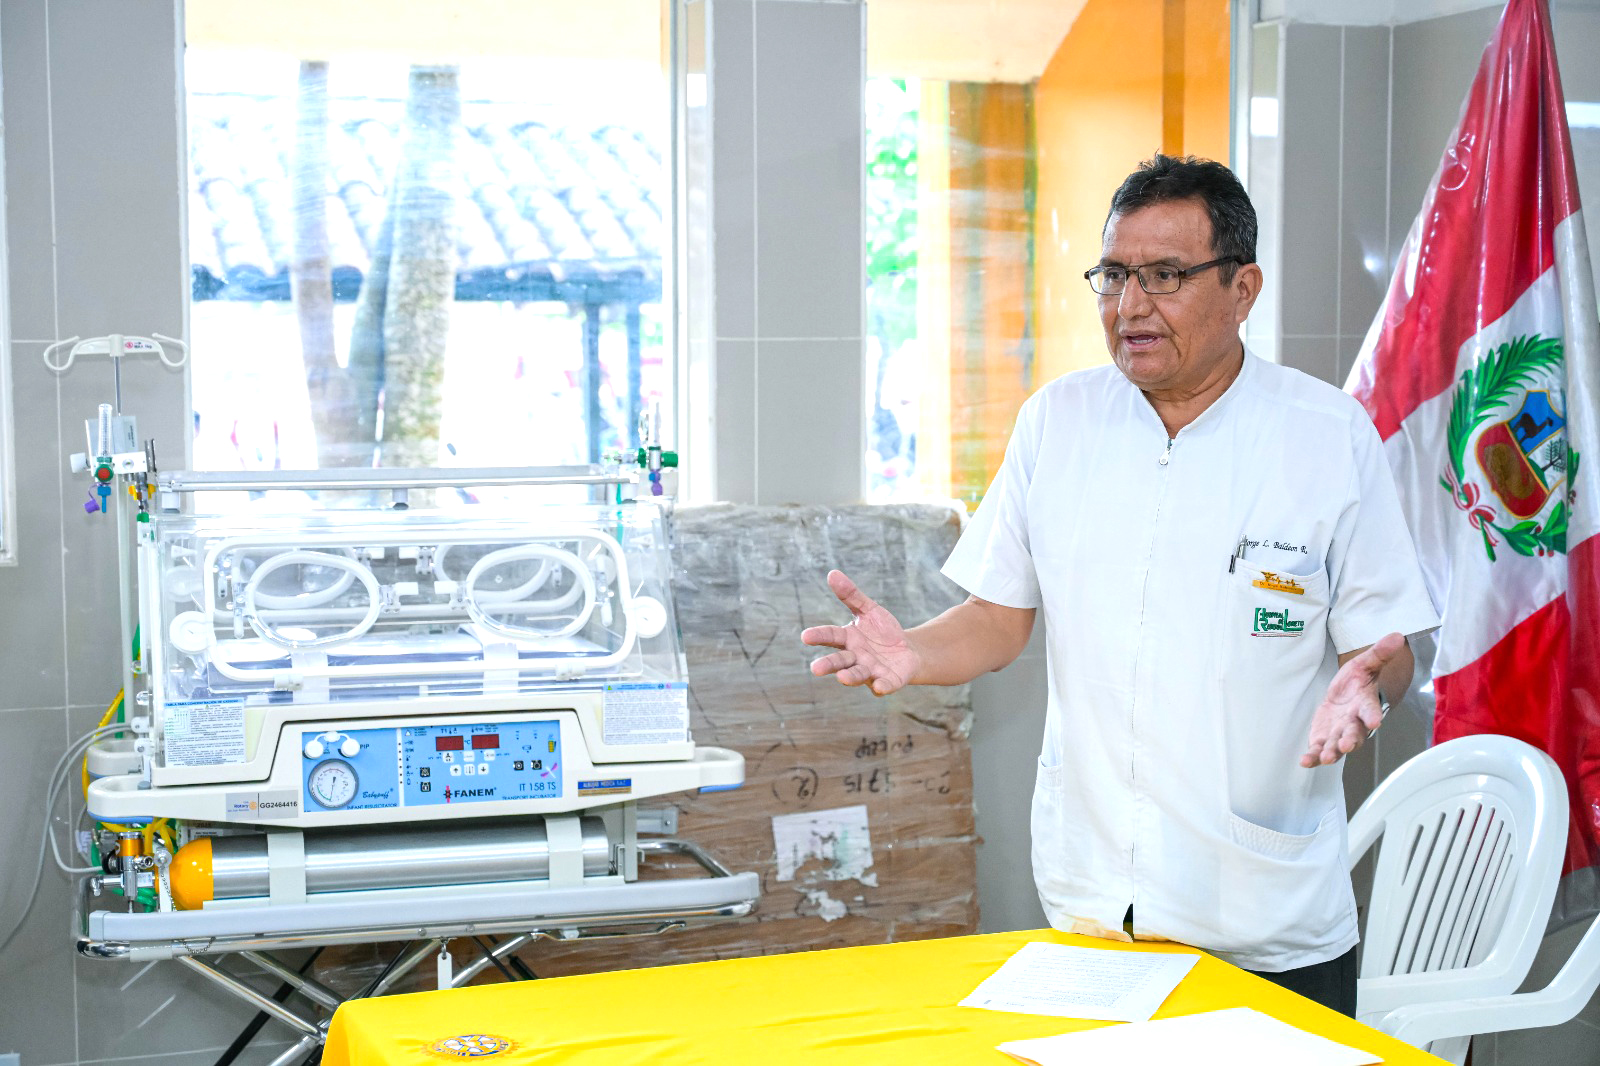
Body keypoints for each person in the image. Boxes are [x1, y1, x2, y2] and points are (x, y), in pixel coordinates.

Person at [801, 154, 1440, 1016]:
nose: (1130, 306)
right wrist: (910, 653)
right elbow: (997, 618)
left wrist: (1371, 682)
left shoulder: (1326, 436)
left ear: (1243, 289)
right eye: (1114, 275)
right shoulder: (1058, 422)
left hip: (1265, 917)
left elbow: (1387, 646)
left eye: (1165, 276)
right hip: (1098, 913)